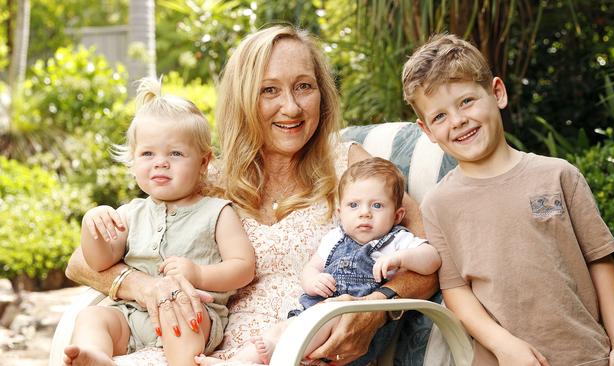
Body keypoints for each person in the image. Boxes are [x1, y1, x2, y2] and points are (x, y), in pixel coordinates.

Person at [65, 25, 440, 366]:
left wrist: (374, 308)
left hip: (296, 349)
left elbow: (430, 256)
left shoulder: (351, 166)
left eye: (304, 87)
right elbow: (81, 262)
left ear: (322, 96)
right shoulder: (208, 178)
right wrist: (147, 288)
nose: (291, 107)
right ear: (244, 98)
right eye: (269, 90)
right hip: (197, 349)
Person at [403, 33, 614, 365]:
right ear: (427, 131)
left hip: (584, 355)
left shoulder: (558, 175)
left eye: (466, 101)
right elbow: (456, 291)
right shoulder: (438, 205)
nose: (458, 120)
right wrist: (503, 345)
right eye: (440, 116)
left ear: (497, 92)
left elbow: (601, 262)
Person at [62, 77, 256, 366]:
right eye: (148, 153)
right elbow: (100, 261)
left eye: (175, 153)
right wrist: (93, 225)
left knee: (180, 310)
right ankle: (99, 358)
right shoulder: (130, 213)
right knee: (92, 317)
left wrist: (199, 274)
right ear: (133, 160)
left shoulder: (216, 212)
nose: (160, 162)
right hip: (131, 314)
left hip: (193, 311)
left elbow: (244, 268)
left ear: (203, 162)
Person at [197, 157, 442, 365]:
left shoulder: (397, 241)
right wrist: (313, 280)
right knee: (277, 331)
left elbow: (431, 260)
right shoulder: (335, 238)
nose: (365, 213)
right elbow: (312, 267)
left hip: (350, 326)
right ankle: (236, 362)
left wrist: (401, 258)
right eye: (354, 205)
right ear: (340, 212)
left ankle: (282, 356)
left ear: (398, 215)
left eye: (377, 205)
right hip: (311, 315)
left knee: (318, 321)